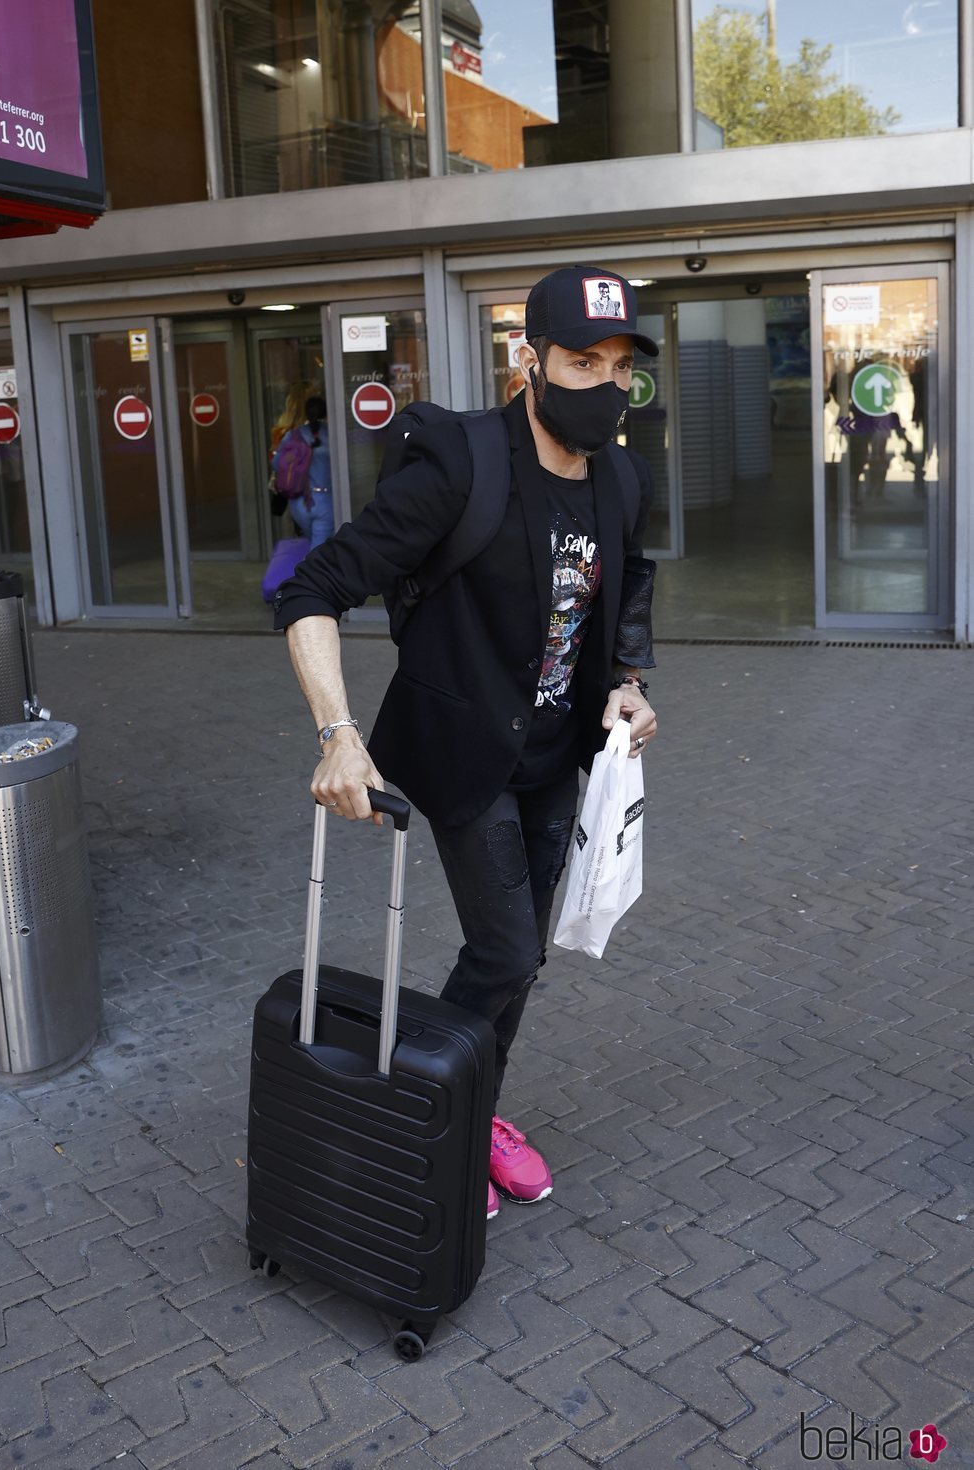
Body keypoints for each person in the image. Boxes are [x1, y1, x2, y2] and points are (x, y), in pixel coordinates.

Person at [273, 265, 660, 1222]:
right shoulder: (465, 465)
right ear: (530, 360)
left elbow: (630, 590)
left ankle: (470, 1106)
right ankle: (428, 1120)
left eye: (620, 366)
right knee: (501, 948)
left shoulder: (620, 474)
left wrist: (628, 687)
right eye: (581, 362)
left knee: (521, 955)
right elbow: (312, 589)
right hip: (461, 749)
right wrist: (336, 735)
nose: (605, 387)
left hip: (557, 755)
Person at [272, 395, 334, 551]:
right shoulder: (334, 434)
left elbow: (276, 464)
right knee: (318, 554)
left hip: (298, 504)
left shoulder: (293, 435)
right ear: (326, 412)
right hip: (326, 502)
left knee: (314, 542)